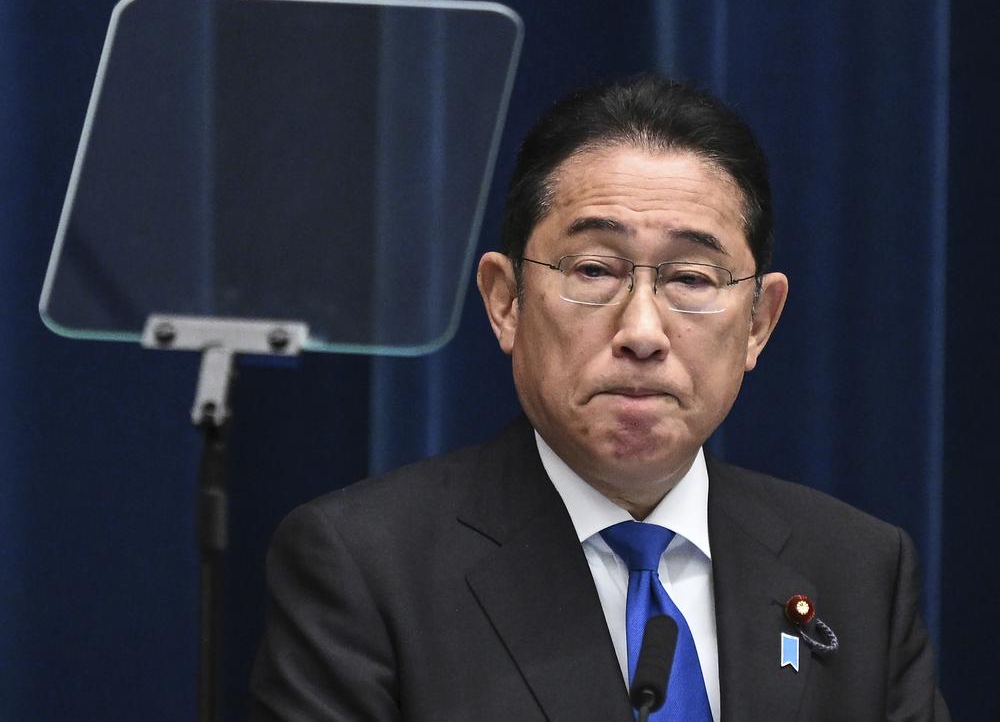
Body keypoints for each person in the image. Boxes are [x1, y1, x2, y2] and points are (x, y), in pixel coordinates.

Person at [250, 74, 949, 721]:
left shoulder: (856, 569)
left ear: (758, 324)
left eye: (693, 278)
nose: (642, 332)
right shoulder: (367, 568)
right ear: (505, 302)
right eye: (593, 269)